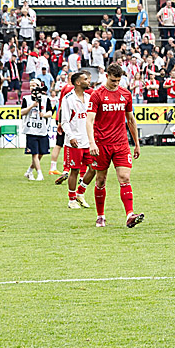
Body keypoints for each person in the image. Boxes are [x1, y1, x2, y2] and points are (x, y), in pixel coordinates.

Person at [86, 62, 144, 228]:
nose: (116, 83)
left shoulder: (125, 94)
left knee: (124, 177)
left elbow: (130, 119)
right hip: (101, 144)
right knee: (101, 180)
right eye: (113, 80)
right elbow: (89, 120)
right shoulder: (97, 95)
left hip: (121, 143)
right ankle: (100, 216)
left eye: (118, 81)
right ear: (106, 76)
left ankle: (130, 215)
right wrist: (92, 143)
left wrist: (137, 143)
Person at [59, 70, 97, 209]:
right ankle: (71, 200)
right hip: (74, 142)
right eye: (85, 79)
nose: (88, 81)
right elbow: (64, 121)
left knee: (94, 168)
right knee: (74, 170)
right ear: (78, 82)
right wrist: (71, 136)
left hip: (88, 140)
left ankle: (80, 192)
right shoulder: (68, 99)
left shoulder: (89, 97)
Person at [21, 79, 55, 181]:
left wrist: (44, 115)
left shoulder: (46, 99)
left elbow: (50, 112)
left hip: (42, 130)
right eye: (31, 85)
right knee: (34, 153)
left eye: (34, 85)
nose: (32, 87)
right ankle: (40, 174)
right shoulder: (26, 98)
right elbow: (22, 112)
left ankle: (29, 171)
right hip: (31, 129)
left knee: (41, 153)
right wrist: (32, 106)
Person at [52, 77, 76, 184]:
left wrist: (59, 120)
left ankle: (56, 167)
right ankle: (78, 172)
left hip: (62, 118)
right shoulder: (71, 89)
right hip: (70, 120)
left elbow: (61, 105)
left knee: (60, 144)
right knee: (73, 144)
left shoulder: (64, 88)